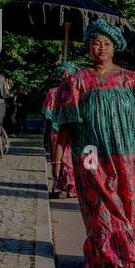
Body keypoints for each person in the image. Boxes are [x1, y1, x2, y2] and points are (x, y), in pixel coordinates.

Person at [43, 19, 135, 268]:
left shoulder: (130, 79)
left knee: (129, 205)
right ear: (89, 48)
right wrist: (57, 161)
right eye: (96, 43)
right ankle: (106, 260)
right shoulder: (78, 82)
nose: (101, 48)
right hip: (90, 156)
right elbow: (66, 125)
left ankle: (131, 254)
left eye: (106, 44)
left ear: (114, 48)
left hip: (127, 156)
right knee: (99, 209)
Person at [47, 62, 79, 199]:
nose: (65, 75)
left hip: (75, 129)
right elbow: (48, 113)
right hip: (57, 129)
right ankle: (58, 185)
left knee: (71, 159)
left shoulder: (79, 90)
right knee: (60, 158)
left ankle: (72, 186)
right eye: (63, 73)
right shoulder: (53, 92)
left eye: (68, 73)